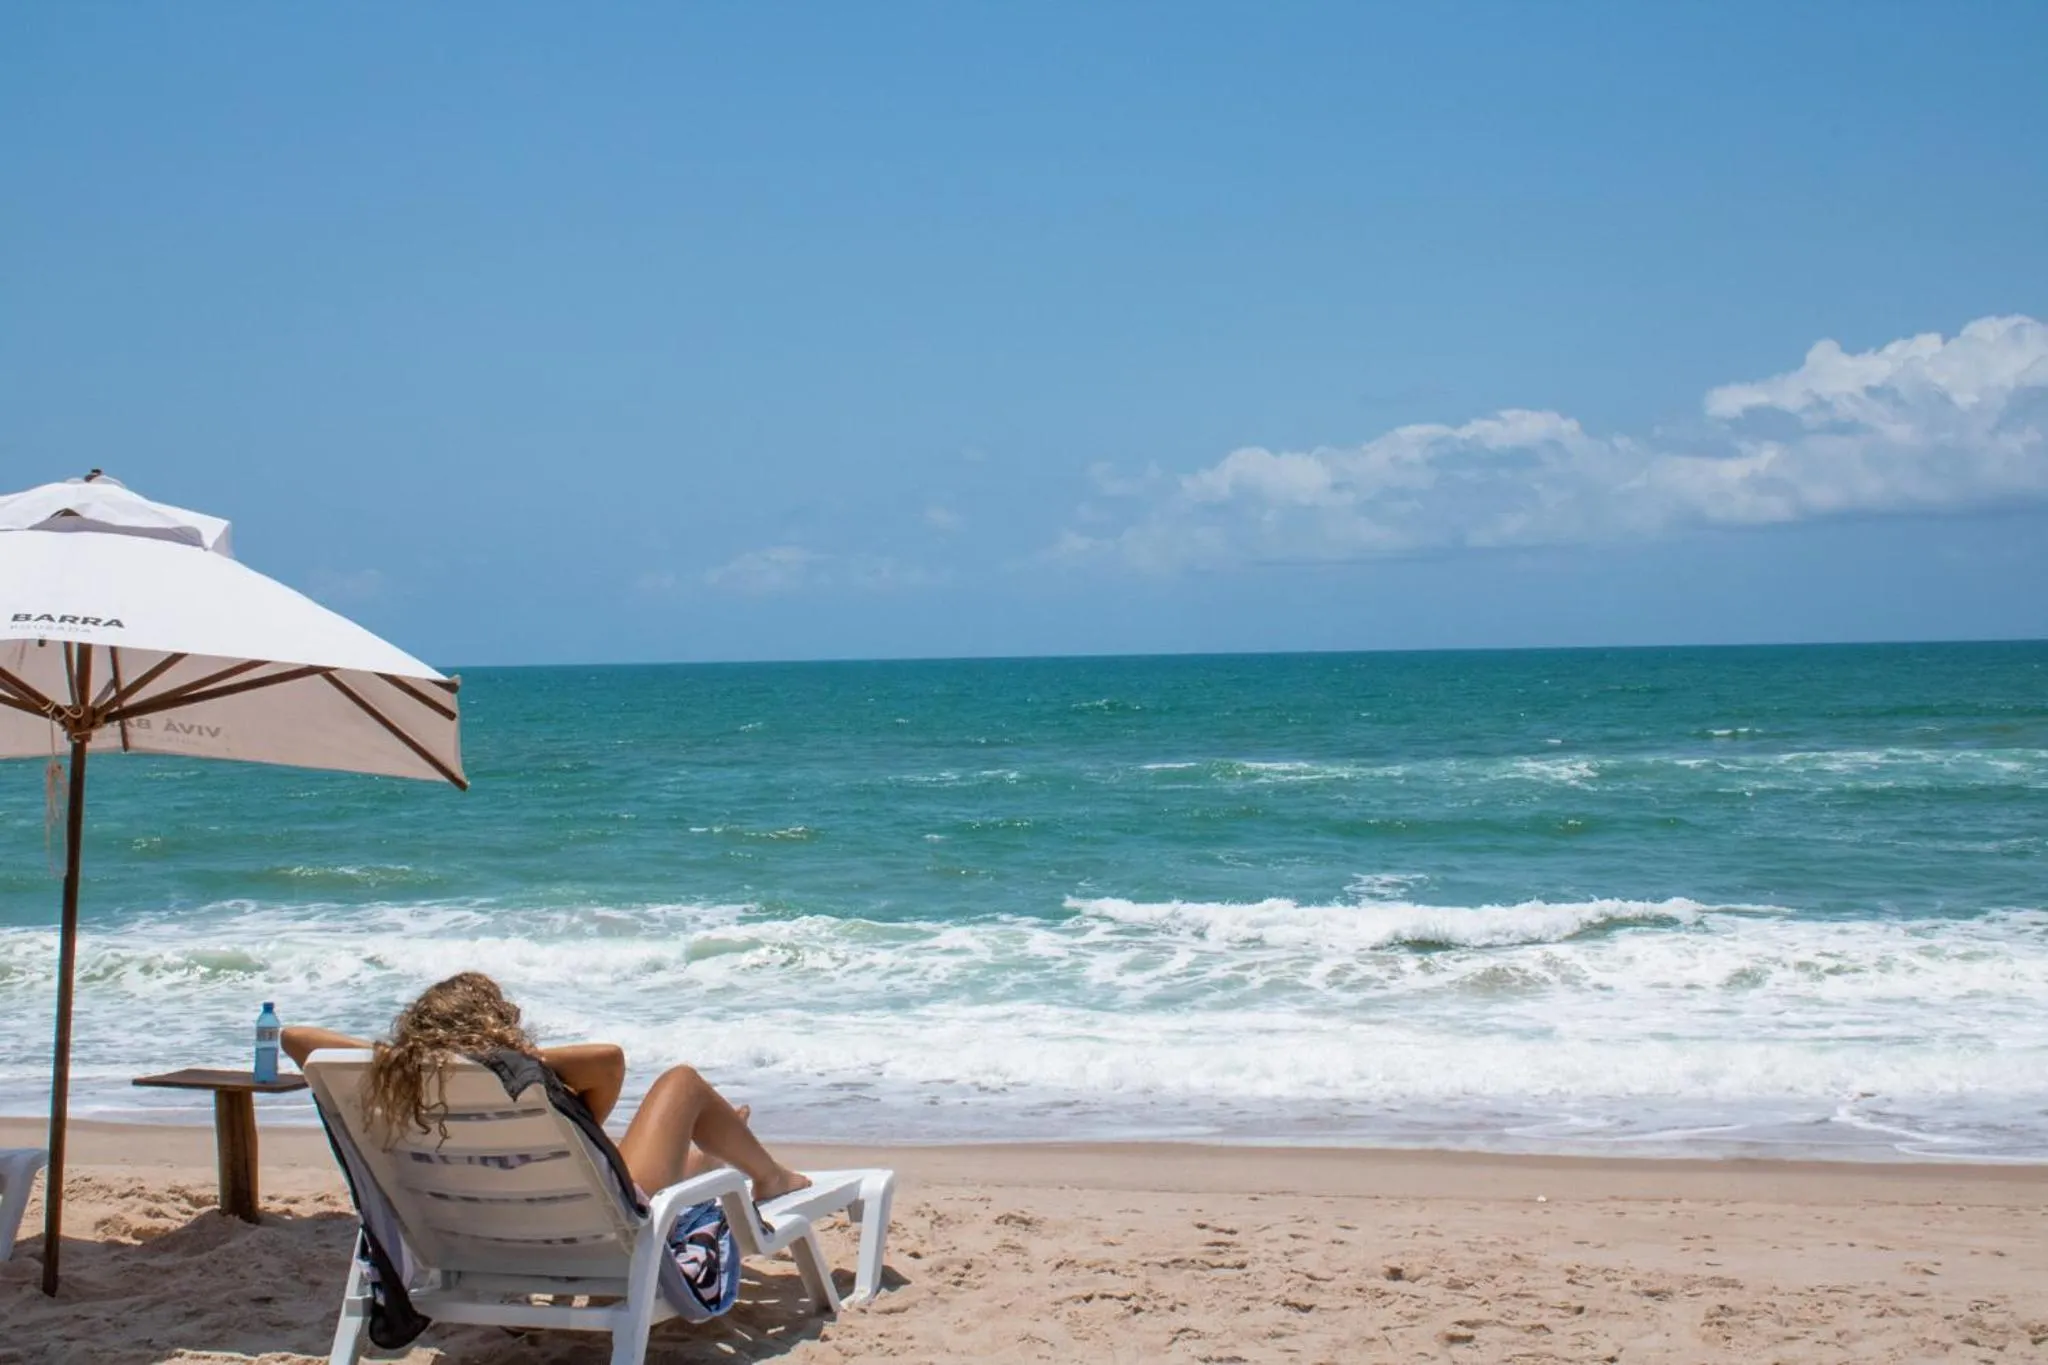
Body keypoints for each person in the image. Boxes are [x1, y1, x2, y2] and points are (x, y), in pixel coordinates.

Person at [281, 971, 810, 1202]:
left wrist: (411, 1056)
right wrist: (493, 1057)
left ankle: (708, 1154)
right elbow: (609, 1060)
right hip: (580, 1218)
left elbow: (295, 1037)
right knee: (682, 1082)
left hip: (470, 1225)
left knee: (607, 1152)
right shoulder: (516, 1076)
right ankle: (769, 1176)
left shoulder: (404, 1086)